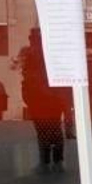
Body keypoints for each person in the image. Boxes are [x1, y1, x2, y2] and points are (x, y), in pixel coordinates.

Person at [15, 27, 68, 175]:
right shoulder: (45, 54)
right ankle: (54, 161)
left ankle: (49, 162)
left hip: (44, 98)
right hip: (45, 98)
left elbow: (23, 72)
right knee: (52, 130)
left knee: (46, 131)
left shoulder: (32, 54)